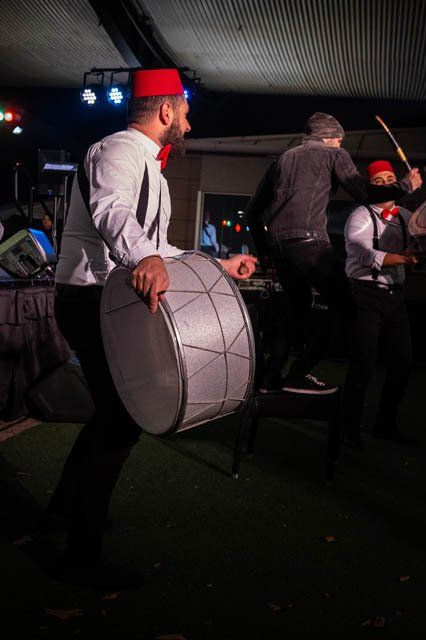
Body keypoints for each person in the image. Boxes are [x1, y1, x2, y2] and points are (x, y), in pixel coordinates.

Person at [48, 68, 257, 588]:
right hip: (89, 299)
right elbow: (111, 210)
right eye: (185, 110)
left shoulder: (155, 171)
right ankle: (79, 560)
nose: (190, 119)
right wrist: (145, 256)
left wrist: (215, 265)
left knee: (110, 418)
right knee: (121, 422)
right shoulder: (117, 150)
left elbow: (156, 248)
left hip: (107, 298)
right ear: (166, 112)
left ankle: (64, 513)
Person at [245, 112, 422, 394]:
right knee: (347, 308)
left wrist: (266, 252)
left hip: (280, 247)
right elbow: (363, 191)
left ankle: (270, 378)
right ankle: (299, 375)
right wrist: (405, 186)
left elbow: (253, 213)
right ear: (329, 137)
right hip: (310, 242)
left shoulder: (282, 160)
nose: (341, 145)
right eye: (339, 140)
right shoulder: (333, 155)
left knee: (297, 309)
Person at [341, 160, 419, 450]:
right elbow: (362, 253)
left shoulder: (407, 217)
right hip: (365, 295)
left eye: (390, 178)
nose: (386, 184)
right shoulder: (360, 215)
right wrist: (404, 258)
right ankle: (349, 429)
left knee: (402, 362)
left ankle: (385, 425)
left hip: (395, 297)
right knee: (363, 363)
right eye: (379, 181)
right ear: (370, 186)